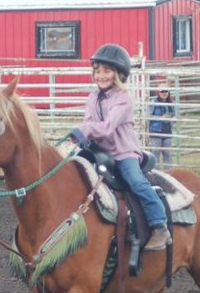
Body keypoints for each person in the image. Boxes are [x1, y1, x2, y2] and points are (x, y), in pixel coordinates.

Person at [69, 44, 171, 251]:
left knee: (136, 182)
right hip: (99, 152)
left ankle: (160, 226)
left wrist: (84, 130)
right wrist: (81, 139)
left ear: (118, 74)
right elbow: (89, 122)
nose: (101, 75)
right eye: (97, 71)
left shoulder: (123, 99)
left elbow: (106, 128)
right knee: (73, 172)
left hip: (123, 153)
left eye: (107, 71)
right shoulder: (92, 98)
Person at [149, 83, 175, 167]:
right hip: (156, 132)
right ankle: (156, 174)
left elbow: (175, 115)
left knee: (168, 153)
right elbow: (148, 116)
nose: (164, 93)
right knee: (156, 153)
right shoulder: (153, 102)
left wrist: (172, 118)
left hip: (167, 131)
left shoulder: (171, 103)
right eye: (162, 91)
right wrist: (161, 118)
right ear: (158, 93)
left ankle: (169, 174)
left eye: (165, 91)